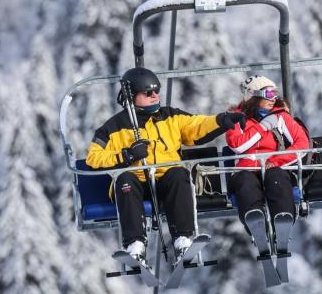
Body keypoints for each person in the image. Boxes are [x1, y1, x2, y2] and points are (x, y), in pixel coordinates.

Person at [86, 67, 245, 263]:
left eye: (156, 91)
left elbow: (196, 126)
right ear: (132, 96)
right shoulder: (113, 127)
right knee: (125, 179)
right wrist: (126, 155)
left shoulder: (170, 116)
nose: (155, 96)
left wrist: (221, 120)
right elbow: (93, 158)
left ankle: (183, 239)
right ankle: (135, 244)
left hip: (165, 183)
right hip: (136, 183)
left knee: (179, 173)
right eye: (148, 93)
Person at [225, 75, 310, 253]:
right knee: (245, 182)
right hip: (246, 170)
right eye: (268, 94)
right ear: (253, 96)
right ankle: (256, 225)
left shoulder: (281, 117)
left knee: (276, 177)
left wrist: (276, 160)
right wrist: (263, 127)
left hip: (274, 167)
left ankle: (282, 220)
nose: (273, 99)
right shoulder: (235, 119)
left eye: (275, 93)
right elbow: (238, 145)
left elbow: (302, 144)